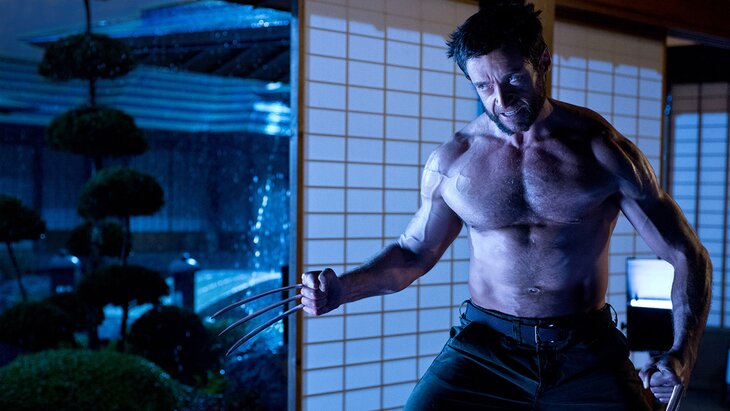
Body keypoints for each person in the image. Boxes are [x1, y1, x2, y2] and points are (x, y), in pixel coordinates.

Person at [300, 1, 711, 409]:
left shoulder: (603, 152)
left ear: (542, 62)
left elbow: (686, 253)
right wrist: (341, 290)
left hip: (585, 350)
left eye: (513, 78)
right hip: (486, 350)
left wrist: (683, 353)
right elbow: (413, 254)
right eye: (483, 87)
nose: (501, 99)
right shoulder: (454, 162)